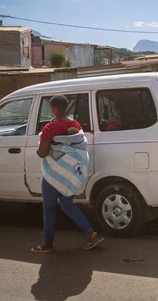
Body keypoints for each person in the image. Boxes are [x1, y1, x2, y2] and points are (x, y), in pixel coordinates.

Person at [31, 95, 104, 253]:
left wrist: (40, 143)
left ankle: (47, 244)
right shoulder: (76, 124)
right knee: (67, 205)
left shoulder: (49, 128)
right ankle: (91, 233)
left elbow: (42, 153)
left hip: (54, 174)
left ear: (53, 109)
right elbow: (78, 148)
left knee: (49, 209)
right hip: (69, 173)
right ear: (66, 108)